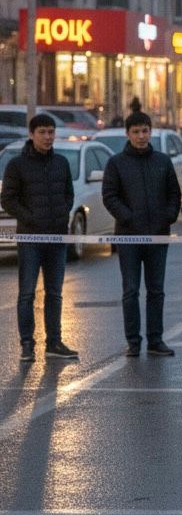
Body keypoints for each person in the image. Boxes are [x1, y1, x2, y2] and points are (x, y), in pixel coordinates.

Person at [102, 110, 182, 357]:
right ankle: (133, 342)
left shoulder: (162, 161)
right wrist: (128, 217)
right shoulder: (116, 163)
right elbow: (110, 196)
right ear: (127, 134)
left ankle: (155, 340)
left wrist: (167, 217)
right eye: (136, 132)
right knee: (131, 290)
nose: (141, 136)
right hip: (129, 238)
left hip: (158, 236)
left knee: (156, 290)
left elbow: (174, 194)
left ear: (150, 132)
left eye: (145, 131)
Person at [1, 113, 78, 362]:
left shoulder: (61, 163)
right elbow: (8, 199)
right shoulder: (17, 165)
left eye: (51, 132)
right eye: (42, 132)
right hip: (31, 239)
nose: (47, 137)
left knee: (54, 293)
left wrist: (63, 213)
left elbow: (69, 194)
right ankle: (27, 345)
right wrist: (30, 218)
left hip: (57, 238)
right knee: (27, 293)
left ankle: (54, 342)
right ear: (31, 134)